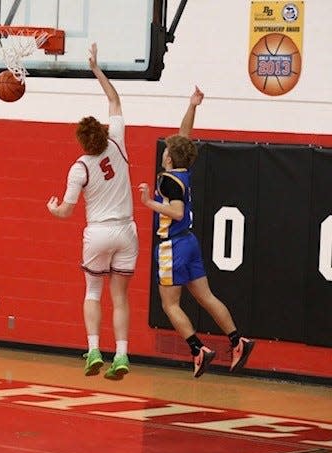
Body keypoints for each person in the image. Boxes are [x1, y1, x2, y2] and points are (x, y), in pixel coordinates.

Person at [137, 86, 255, 378]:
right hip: (189, 242)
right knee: (206, 296)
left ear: (168, 159)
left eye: (167, 150)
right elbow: (183, 137)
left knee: (169, 304)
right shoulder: (183, 171)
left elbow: (176, 212)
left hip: (172, 246)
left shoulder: (166, 181)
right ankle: (237, 340)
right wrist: (192, 106)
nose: (165, 150)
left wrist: (148, 202)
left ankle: (197, 350)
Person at [46, 43, 138, 380]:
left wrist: (54, 208)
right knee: (121, 297)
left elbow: (67, 212)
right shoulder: (116, 141)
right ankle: (123, 355)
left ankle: (94, 349)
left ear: (83, 143)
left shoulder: (80, 167)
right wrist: (96, 68)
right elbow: (114, 99)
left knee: (93, 293)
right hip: (126, 231)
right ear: (102, 131)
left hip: (98, 232)